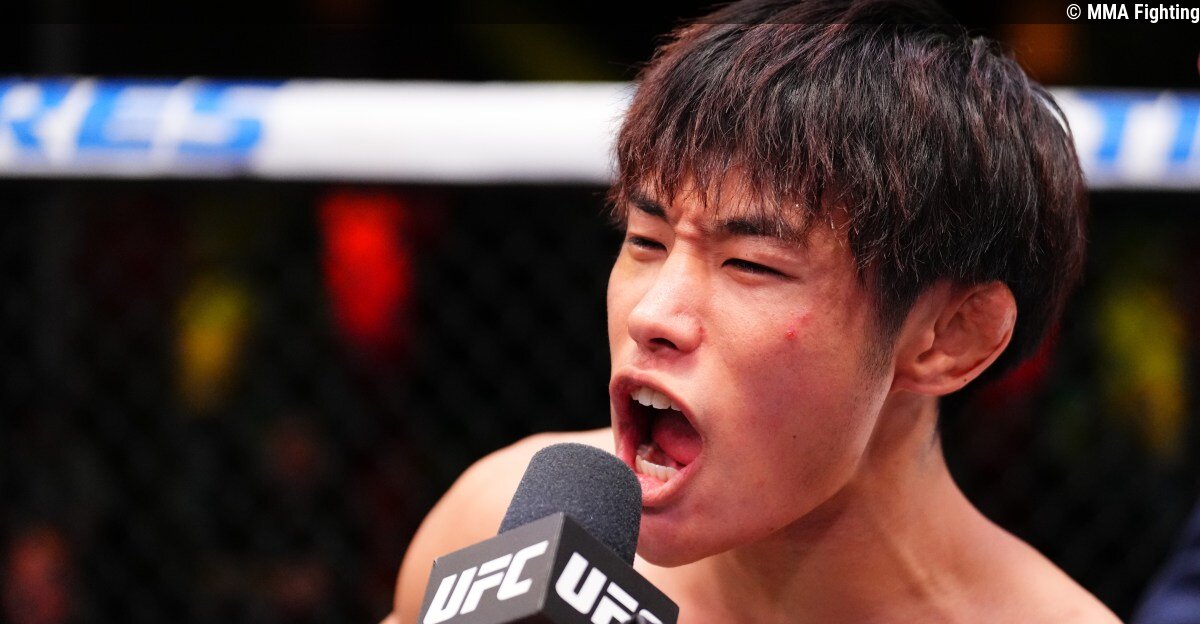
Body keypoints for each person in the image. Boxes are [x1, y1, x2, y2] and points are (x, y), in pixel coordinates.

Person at [384, 1, 1121, 621]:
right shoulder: (501, 533)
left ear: (949, 336)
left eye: (751, 264)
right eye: (646, 241)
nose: (653, 315)